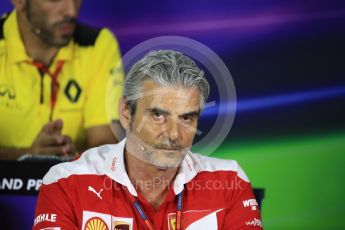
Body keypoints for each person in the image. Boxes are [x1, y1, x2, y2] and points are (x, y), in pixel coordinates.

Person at [34, 50, 263, 229]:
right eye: (158, 115)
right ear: (125, 112)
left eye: (186, 117)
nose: (174, 134)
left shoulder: (229, 181)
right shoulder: (65, 182)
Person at [0, 0, 124, 160]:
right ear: (20, 2)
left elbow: (105, 150)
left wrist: (64, 157)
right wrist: (28, 157)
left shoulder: (98, 45)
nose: (71, 11)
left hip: (71, 183)